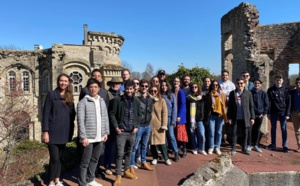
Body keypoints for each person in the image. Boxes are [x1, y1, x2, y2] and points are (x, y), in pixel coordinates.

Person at [42, 73, 76, 186]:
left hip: (65, 131)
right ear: (58, 81)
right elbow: (45, 113)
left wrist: (71, 129)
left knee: (60, 158)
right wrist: (45, 131)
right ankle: (50, 181)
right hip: (53, 131)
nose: (63, 83)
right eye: (61, 80)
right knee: (54, 158)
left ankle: (57, 180)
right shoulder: (51, 94)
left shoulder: (69, 96)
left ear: (68, 83)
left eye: (66, 81)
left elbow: (72, 114)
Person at [77, 78, 109, 186]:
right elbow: (80, 121)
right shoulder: (83, 102)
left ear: (99, 88)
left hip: (99, 136)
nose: (93, 89)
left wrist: (105, 132)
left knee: (95, 159)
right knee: (85, 162)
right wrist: (83, 137)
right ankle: (82, 182)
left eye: (95, 87)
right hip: (88, 138)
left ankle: (90, 179)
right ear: (87, 88)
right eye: (91, 87)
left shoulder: (102, 101)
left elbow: (105, 117)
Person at [109, 80, 141, 186]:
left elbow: (139, 115)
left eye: (131, 88)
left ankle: (126, 171)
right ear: (124, 89)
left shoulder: (136, 101)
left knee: (129, 151)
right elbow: (112, 114)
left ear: (133, 89)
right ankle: (118, 175)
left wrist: (137, 126)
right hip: (121, 132)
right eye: (127, 88)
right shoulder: (118, 100)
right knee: (119, 154)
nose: (129, 90)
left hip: (132, 132)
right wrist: (116, 127)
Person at [130, 79, 154, 171]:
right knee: (135, 146)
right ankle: (132, 164)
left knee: (144, 145)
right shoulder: (136, 98)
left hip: (147, 125)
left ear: (148, 87)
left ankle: (143, 162)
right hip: (139, 125)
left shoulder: (150, 99)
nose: (144, 87)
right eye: (142, 86)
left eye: (146, 86)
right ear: (140, 86)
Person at [227, 77, 255, 155]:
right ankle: (233, 148)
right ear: (236, 84)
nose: (240, 85)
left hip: (245, 117)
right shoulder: (232, 93)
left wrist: (252, 117)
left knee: (245, 133)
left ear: (244, 84)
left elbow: (251, 106)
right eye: (238, 83)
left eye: (241, 83)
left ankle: (244, 148)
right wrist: (229, 117)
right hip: (235, 117)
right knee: (234, 133)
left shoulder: (248, 93)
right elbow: (230, 106)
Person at [103, 77, 123, 175]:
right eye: (113, 83)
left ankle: (118, 166)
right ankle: (107, 166)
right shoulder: (107, 94)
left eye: (117, 83)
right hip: (110, 124)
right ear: (110, 84)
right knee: (109, 146)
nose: (115, 85)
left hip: (121, 125)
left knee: (119, 147)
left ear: (120, 84)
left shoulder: (123, 94)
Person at [266, 75, 291, 153]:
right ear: (275, 81)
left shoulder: (286, 90)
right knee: (273, 128)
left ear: (282, 81)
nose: (278, 82)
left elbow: (289, 103)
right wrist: (268, 113)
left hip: (283, 112)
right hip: (273, 112)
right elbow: (268, 102)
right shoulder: (270, 90)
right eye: (277, 80)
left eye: (280, 80)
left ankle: (285, 146)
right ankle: (273, 144)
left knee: (283, 129)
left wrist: (287, 114)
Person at [149, 85, 171, 165]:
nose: (153, 93)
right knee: (152, 143)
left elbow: (165, 113)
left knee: (162, 143)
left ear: (157, 91)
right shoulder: (148, 100)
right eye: (151, 91)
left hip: (159, 125)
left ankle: (166, 158)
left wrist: (164, 124)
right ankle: (155, 157)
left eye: (155, 91)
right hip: (150, 125)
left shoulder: (162, 100)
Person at [206, 80, 227, 155]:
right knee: (211, 132)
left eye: (216, 85)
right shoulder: (209, 94)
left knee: (219, 132)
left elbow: (225, 104)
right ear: (211, 86)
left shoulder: (222, 94)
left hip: (220, 116)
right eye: (213, 85)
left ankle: (217, 147)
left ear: (218, 86)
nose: (215, 86)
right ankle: (211, 147)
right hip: (211, 115)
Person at [161, 80, 179, 162]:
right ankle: (165, 153)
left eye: (165, 85)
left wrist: (173, 120)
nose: (164, 86)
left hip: (169, 117)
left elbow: (175, 108)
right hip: (161, 118)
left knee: (171, 136)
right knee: (163, 137)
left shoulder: (171, 95)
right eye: (162, 85)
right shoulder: (160, 95)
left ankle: (176, 152)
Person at [186, 83, 206, 155]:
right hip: (191, 119)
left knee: (202, 134)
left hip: (199, 119)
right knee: (192, 135)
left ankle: (201, 148)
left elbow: (204, 108)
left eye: (196, 87)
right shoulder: (188, 98)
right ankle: (195, 148)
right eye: (193, 87)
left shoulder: (202, 98)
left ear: (198, 88)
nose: (194, 88)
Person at [251, 79, 269, 153]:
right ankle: (249, 144)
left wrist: (264, 113)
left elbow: (266, 104)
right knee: (250, 130)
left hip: (260, 115)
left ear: (260, 84)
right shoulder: (250, 93)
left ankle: (256, 144)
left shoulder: (263, 93)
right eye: (255, 83)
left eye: (258, 83)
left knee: (257, 130)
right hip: (252, 115)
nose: (257, 84)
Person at [172, 77, 188, 157]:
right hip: (173, 115)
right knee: (175, 133)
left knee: (181, 133)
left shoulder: (181, 92)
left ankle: (184, 149)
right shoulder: (172, 91)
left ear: (180, 83)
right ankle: (177, 148)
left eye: (177, 81)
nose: (176, 82)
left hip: (180, 116)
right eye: (175, 81)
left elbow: (182, 104)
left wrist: (179, 115)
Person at [290, 77, 300, 152]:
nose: (298, 84)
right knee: (297, 131)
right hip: (295, 112)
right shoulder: (293, 92)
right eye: (296, 83)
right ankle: (299, 145)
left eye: (299, 83)